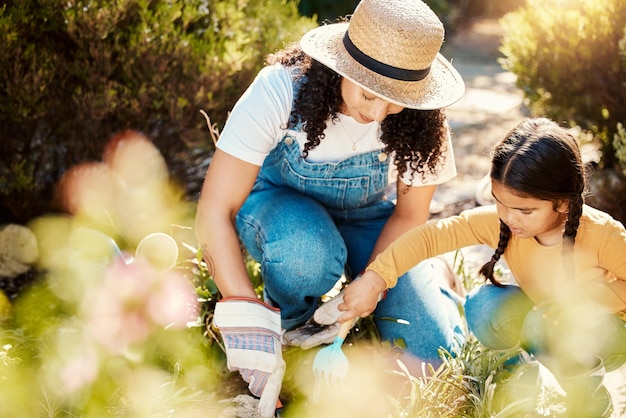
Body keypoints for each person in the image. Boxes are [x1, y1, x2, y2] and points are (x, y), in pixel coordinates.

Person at [194, 0, 465, 415]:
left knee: (432, 359)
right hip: (279, 208)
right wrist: (247, 319)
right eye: (369, 94)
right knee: (307, 253)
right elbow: (214, 210)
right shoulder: (280, 88)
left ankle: (439, 280)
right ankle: (289, 329)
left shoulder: (425, 121)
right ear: (343, 67)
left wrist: (375, 281)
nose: (376, 114)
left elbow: (409, 215)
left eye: (395, 101)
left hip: (366, 216)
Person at [344, 117, 626, 417]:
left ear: (563, 203)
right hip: (546, 319)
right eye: (500, 203)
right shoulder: (504, 222)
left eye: (524, 210)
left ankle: (589, 402)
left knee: (542, 324)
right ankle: (519, 393)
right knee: (484, 306)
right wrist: (376, 277)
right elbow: (430, 237)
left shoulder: (601, 233)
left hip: (604, 336)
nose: (510, 218)